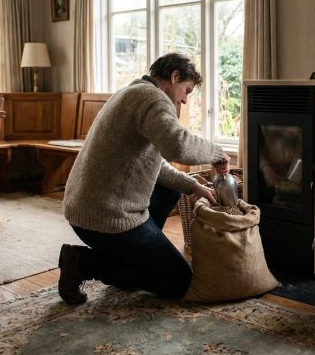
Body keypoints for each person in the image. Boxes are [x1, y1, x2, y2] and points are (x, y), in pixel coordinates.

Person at [58, 52, 230, 304]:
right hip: (107, 219)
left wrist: (192, 185)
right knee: (178, 280)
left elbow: (152, 163)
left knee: (173, 188)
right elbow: (177, 146)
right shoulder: (153, 99)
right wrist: (217, 153)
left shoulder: (132, 92)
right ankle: (84, 263)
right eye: (186, 91)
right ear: (174, 77)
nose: (183, 100)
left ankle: (130, 261)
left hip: (86, 211)